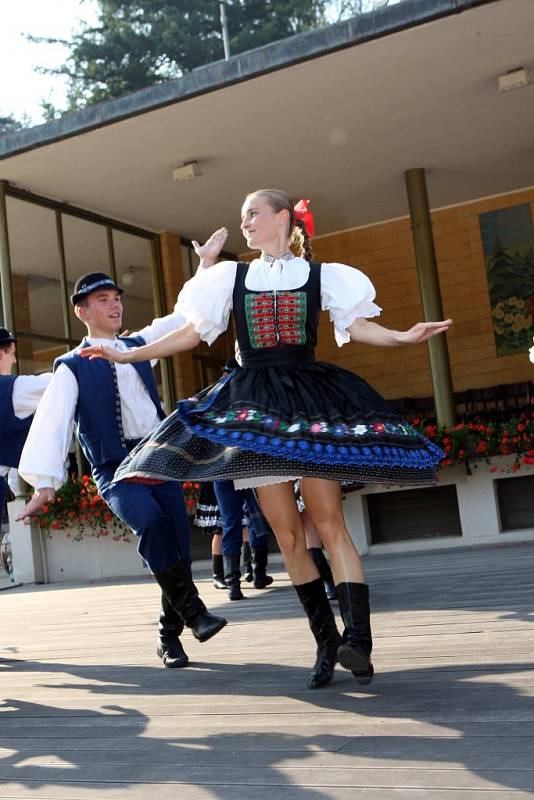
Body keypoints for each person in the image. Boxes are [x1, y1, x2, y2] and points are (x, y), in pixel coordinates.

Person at [78, 189, 450, 689]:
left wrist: (403, 336)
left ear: (281, 218)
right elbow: (190, 334)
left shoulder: (323, 276)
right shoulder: (230, 278)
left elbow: (358, 326)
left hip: (309, 402)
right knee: (289, 536)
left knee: (328, 521)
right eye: (242, 216)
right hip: (253, 412)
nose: (245, 223)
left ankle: (357, 641)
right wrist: (127, 356)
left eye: (253, 214)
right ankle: (324, 644)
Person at [18, 250, 228, 667]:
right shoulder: (71, 367)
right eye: (103, 300)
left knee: (181, 551)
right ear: (82, 311)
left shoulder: (139, 345)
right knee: (149, 523)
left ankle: (169, 637)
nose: (114, 304)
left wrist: (204, 268)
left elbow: (179, 317)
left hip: (159, 459)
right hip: (116, 468)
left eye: (116, 297)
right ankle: (195, 613)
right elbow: (54, 423)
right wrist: (44, 482)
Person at [0, 328, 52, 514]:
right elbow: (58, 381)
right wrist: (100, 353)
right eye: (11, 354)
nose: (14, 361)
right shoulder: (11, 389)